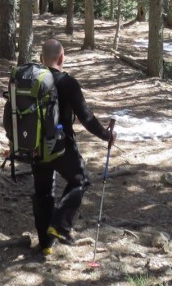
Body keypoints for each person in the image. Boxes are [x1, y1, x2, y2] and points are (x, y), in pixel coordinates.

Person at [32, 38, 115, 255]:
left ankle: (45, 244)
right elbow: (86, 118)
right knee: (80, 179)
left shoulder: (31, 80)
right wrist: (106, 135)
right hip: (60, 145)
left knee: (43, 192)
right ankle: (60, 225)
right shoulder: (68, 82)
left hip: (34, 146)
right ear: (62, 57)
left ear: (42, 58)